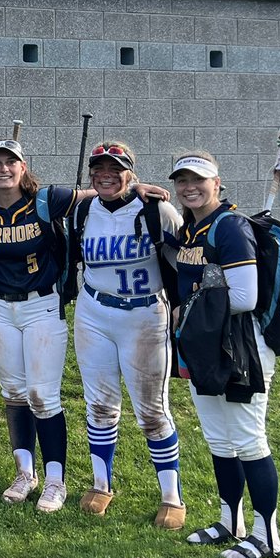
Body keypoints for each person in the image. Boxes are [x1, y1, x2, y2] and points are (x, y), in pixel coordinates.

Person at [170, 151, 280, 558]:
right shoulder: (190, 229)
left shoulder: (230, 226)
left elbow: (244, 296)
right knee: (220, 440)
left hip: (240, 347)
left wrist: (190, 305)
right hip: (204, 346)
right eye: (181, 180)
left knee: (249, 441)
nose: (189, 187)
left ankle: (267, 536)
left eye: (198, 179)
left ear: (218, 182)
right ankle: (229, 521)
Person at [72, 141, 186, 528]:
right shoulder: (84, 210)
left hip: (143, 315)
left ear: (130, 173)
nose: (105, 174)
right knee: (100, 405)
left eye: (115, 168)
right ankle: (101, 485)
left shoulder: (156, 210)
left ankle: (172, 496)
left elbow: (185, 256)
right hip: (94, 312)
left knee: (152, 411)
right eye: (98, 167)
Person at [0, 139, 77, 512]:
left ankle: (55, 481)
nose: (3, 169)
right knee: (14, 393)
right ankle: (25, 474)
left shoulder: (47, 199)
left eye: (10, 162)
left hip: (42, 306)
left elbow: (97, 194)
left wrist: (137, 188)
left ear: (23, 165)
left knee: (43, 397)